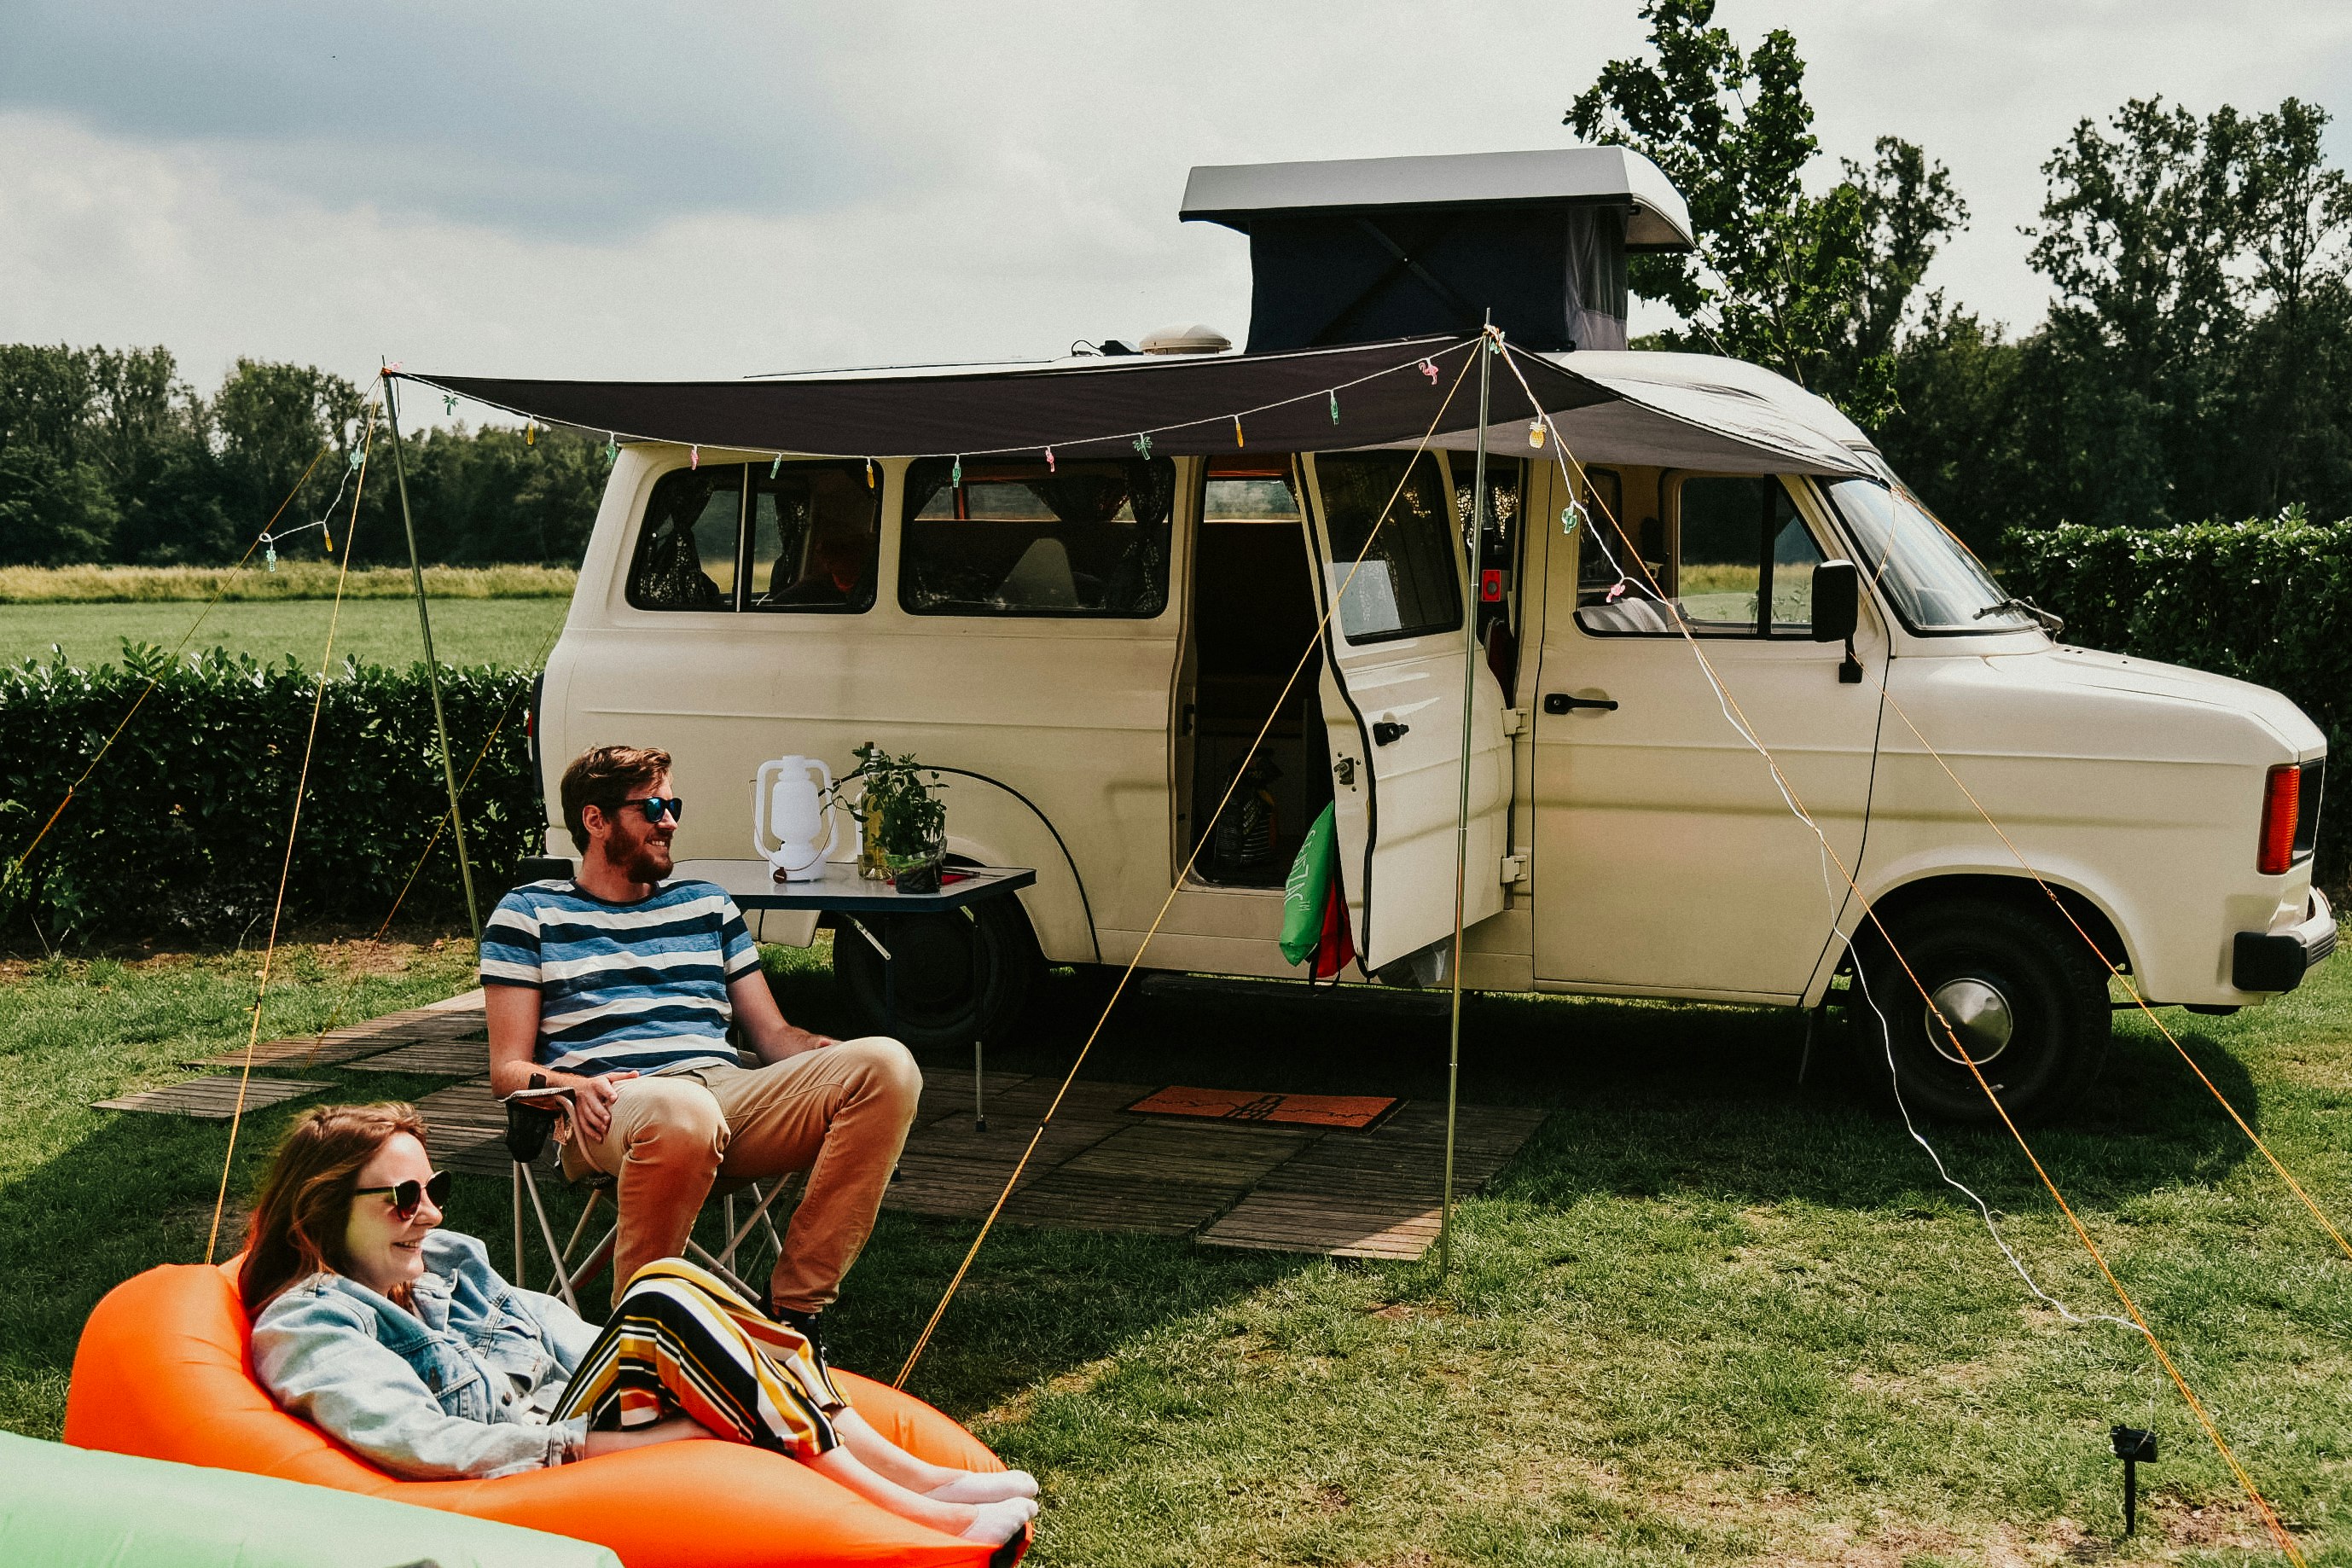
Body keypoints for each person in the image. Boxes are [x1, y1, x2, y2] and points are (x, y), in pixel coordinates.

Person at [245, 1103, 1038, 1547]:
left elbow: (562, 1330)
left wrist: (699, 1376)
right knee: (657, 1297)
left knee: (662, 1291)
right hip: (544, 1462)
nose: (431, 1212)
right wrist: (609, 1442)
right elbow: (427, 1442)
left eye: (432, 1185)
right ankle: (922, 1516)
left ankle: (921, 1480)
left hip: (579, 1418)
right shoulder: (311, 1326)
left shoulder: (449, 1263)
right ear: (319, 1212)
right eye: (402, 1198)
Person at [481, 745, 918, 1358]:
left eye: (672, 805)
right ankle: (640, 1340)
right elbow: (508, 1071)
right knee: (681, 1112)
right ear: (595, 820)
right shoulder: (530, 914)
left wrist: (823, 1053)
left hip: (727, 1091)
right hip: (612, 1105)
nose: (670, 821)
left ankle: (793, 1315)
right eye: (653, 807)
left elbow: (772, 1037)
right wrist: (569, 1084)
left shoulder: (707, 905)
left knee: (887, 1065)